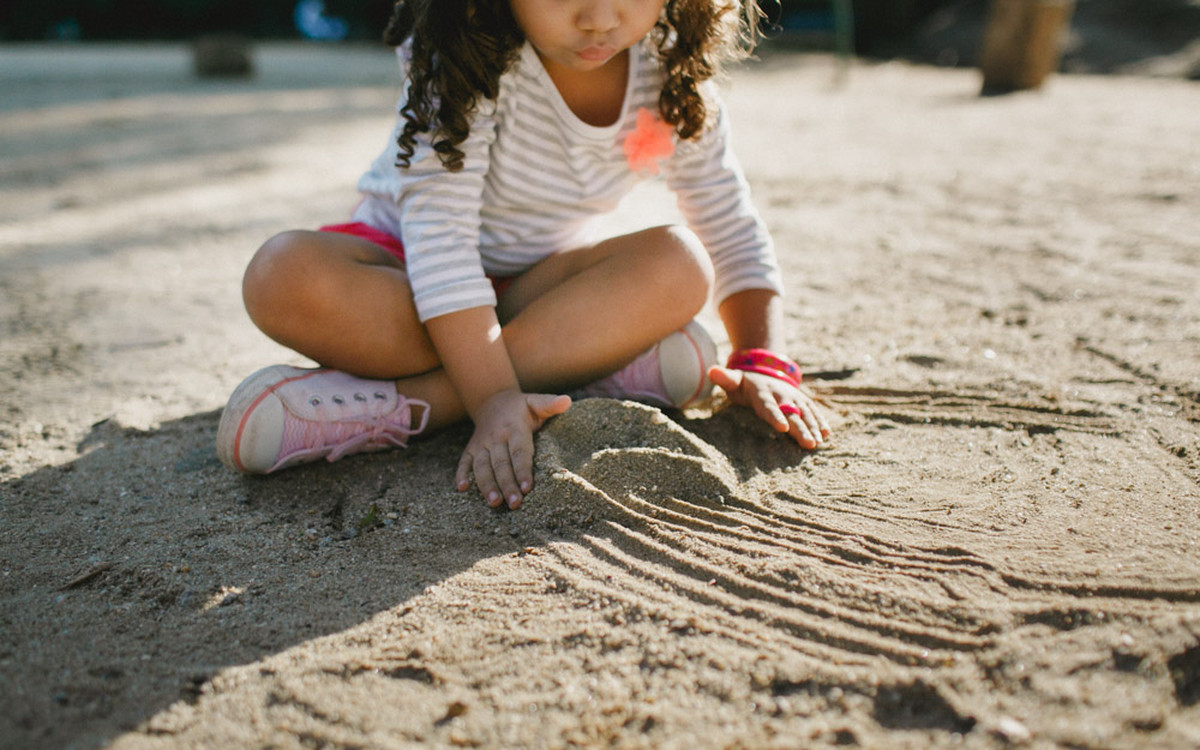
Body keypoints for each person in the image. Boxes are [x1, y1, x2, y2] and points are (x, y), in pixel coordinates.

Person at [216, 0, 831, 510]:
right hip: (403, 273)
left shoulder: (670, 74)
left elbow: (725, 218)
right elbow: (440, 236)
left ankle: (416, 407)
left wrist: (763, 360)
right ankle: (580, 367)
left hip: (533, 290)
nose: (598, 17)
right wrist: (492, 401)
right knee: (281, 274)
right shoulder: (468, 53)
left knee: (679, 262)